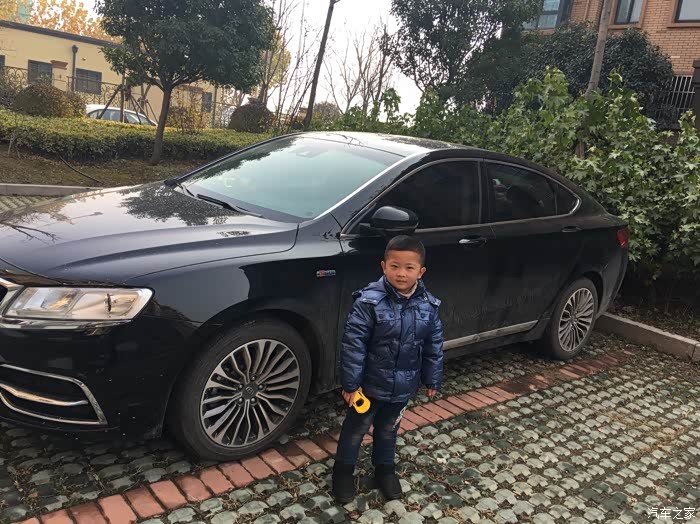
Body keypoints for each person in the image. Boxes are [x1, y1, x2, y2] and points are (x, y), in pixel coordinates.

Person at [332, 235, 444, 503]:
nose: (401, 273)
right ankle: (342, 473)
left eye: (408, 268)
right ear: (384, 266)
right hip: (369, 387)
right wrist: (351, 384)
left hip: (402, 387)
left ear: (420, 271)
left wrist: (432, 379)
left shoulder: (428, 305)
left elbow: (434, 345)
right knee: (355, 430)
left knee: (388, 430)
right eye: (395, 266)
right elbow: (353, 345)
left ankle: (385, 470)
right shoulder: (368, 303)